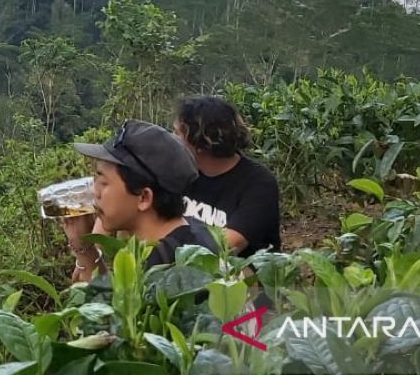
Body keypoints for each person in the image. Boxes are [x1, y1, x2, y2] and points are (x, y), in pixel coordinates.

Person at [63, 119, 216, 282]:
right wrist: (84, 247)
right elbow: (110, 299)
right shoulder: (193, 232)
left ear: (144, 198)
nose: (95, 191)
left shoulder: (166, 274)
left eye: (103, 182)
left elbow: (108, 304)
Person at [173, 95, 281, 258]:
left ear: (200, 142)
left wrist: (165, 242)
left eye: (177, 133)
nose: (172, 139)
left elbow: (229, 245)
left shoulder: (258, 183)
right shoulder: (180, 172)